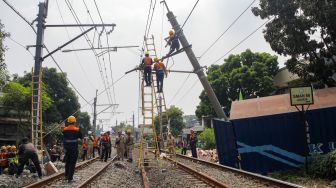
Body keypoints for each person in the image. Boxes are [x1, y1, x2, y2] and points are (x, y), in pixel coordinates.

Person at [63, 115, 83, 183]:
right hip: (74, 149)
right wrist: (80, 129)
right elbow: (81, 136)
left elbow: (64, 137)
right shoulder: (77, 129)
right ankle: (70, 178)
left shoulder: (65, 130)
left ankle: (66, 176)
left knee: (67, 162)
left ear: (68, 122)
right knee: (72, 163)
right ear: (74, 122)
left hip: (67, 149)